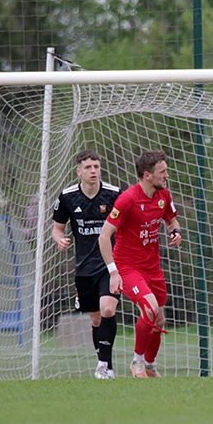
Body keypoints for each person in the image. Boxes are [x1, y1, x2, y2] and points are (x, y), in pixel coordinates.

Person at [99, 150, 182, 378]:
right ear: (147, 175)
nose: (166, 175)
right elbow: (104, 237)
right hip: (128, 266)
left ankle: (150, 365)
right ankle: (137, 363)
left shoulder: (163, 194)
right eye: (162, 172)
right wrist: (114, 272)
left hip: (153, 267)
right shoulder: (128, 199)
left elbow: (171, 219)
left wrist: (175, 232)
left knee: (160, 318)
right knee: (150, 308)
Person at [52, 149, 122, 379]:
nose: (93, 171)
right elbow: (57, 228)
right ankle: (106, 366)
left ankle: (103, 365)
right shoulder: (67, 197)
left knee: (108, 309)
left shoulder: (113, 194)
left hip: (109, 265)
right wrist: (59, 240)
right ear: (79, 171)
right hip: (83, 268)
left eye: (96, 166)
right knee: (95, 318)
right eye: (88, 167)